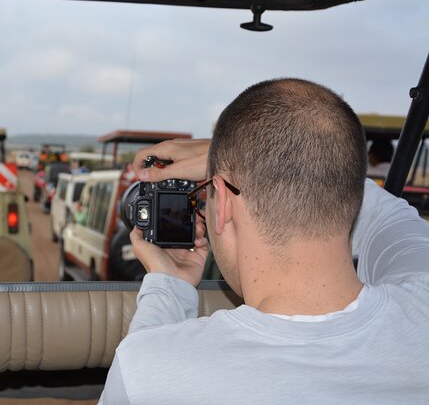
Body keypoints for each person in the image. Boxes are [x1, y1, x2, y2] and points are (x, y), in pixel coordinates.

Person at [99, 79, 429, 404]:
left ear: (224, 202)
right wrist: (229, 163)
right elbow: (387, 214)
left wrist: (167, 288)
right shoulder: (421, 314)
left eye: (206, 196)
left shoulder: (148, 370)